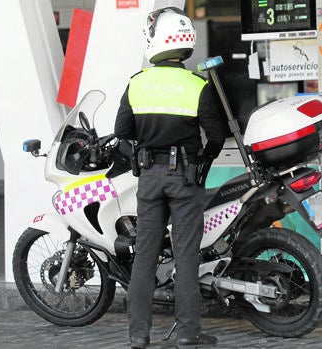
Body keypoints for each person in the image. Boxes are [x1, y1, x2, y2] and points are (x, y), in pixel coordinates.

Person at [114, 7, 227, 349]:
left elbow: (122, 133)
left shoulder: (137, 83)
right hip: (184, 179)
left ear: (155, 41)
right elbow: (218, 136)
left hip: (150, 179)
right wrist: (203, 162)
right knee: (187, 256)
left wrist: (140, 158)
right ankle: (188, 335)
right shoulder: (196, 85)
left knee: (145, 257)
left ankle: (138, 335)